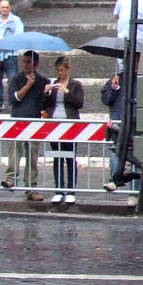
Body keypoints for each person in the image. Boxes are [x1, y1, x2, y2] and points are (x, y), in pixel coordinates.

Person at [1, 50, 49, 201]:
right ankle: (10, 178)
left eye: (29, 62)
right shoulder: (16, 79)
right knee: (15, 151)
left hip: (34, 121)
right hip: (17, 120)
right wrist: (28, 85)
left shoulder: (43, 81)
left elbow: (45, 103)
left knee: (32, 157)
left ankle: (31, 187)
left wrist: (47, 96)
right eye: (24, 61)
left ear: (36, 64)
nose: (26, 65)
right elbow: (14, 99)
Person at [42, 56, 84, 205]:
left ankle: (71, 190)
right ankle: (58, 190)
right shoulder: (52, 83)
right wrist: (46, 92)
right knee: (57, 157)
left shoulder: (75, 85)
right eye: (58, 70)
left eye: (62, 70)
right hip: (54, 124)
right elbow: (44, 104)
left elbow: (79, 103)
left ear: (68, 69)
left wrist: (66, 92)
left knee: (70, 157)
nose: (60, 73)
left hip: (70, 124)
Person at [101, 69, 139, 205]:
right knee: (115, 152)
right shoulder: (116, 79)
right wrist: (114, 88)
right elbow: (106, 100)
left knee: (137, 157)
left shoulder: (142, 78)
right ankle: (114, 180)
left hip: (136, 122)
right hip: (119, 122)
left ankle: (135, 193)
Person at [0, 0, 24, 112]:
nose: (4, 9)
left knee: (13, 79)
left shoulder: (16, 20)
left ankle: (13, 101)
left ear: (10, 8)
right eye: (2, 7)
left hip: (10, 54)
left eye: (6, 7)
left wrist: (5, 40)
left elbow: (19, 36)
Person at [113, 0, 143, 72]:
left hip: (139, 37)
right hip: (124, 35)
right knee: (122, 64)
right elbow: (116, 14)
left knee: (138, 64)